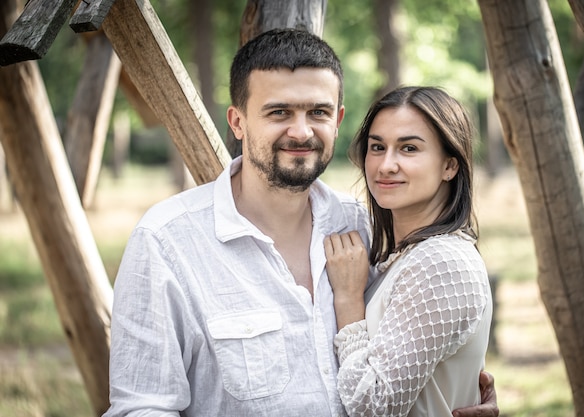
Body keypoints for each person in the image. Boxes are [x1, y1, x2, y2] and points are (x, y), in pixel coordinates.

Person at [103, 29, 498, 417]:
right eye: (279, 112)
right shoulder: (167, 241)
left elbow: (409, 359)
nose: (301, 131)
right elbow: (142, 406)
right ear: (238, 123)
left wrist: (459, 387)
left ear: (338, 120)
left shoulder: (363, 227)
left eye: (318, 112)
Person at [324, 86, 493, 417]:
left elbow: (374, 406)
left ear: (450, 166)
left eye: (409, 148)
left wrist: (348, 301)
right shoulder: (408, 255)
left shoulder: (442, 263)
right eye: (377, 147)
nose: (386, 165)